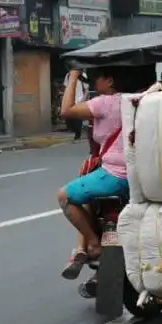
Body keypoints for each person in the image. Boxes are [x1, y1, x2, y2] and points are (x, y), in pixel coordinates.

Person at [57, 67, 128, 288]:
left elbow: (66, 110)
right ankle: (84, 249)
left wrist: (73, 78)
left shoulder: (105, 103)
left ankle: (92, 244)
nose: (94, 83)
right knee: (87, 191)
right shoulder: (141, 99)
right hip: (136, 173)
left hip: (115, 174)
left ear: (109, 80)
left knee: (65, 196)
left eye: (96, 78)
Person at [63, 71, 88, 140]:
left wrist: (83, 100)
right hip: (70, 100)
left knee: (77, 119)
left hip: (79, 100)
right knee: (71, 118)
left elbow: (86, 90)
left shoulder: (82, 75)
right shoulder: (68, 75)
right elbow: (65, 88)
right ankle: (75, 132)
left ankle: (78, 134)